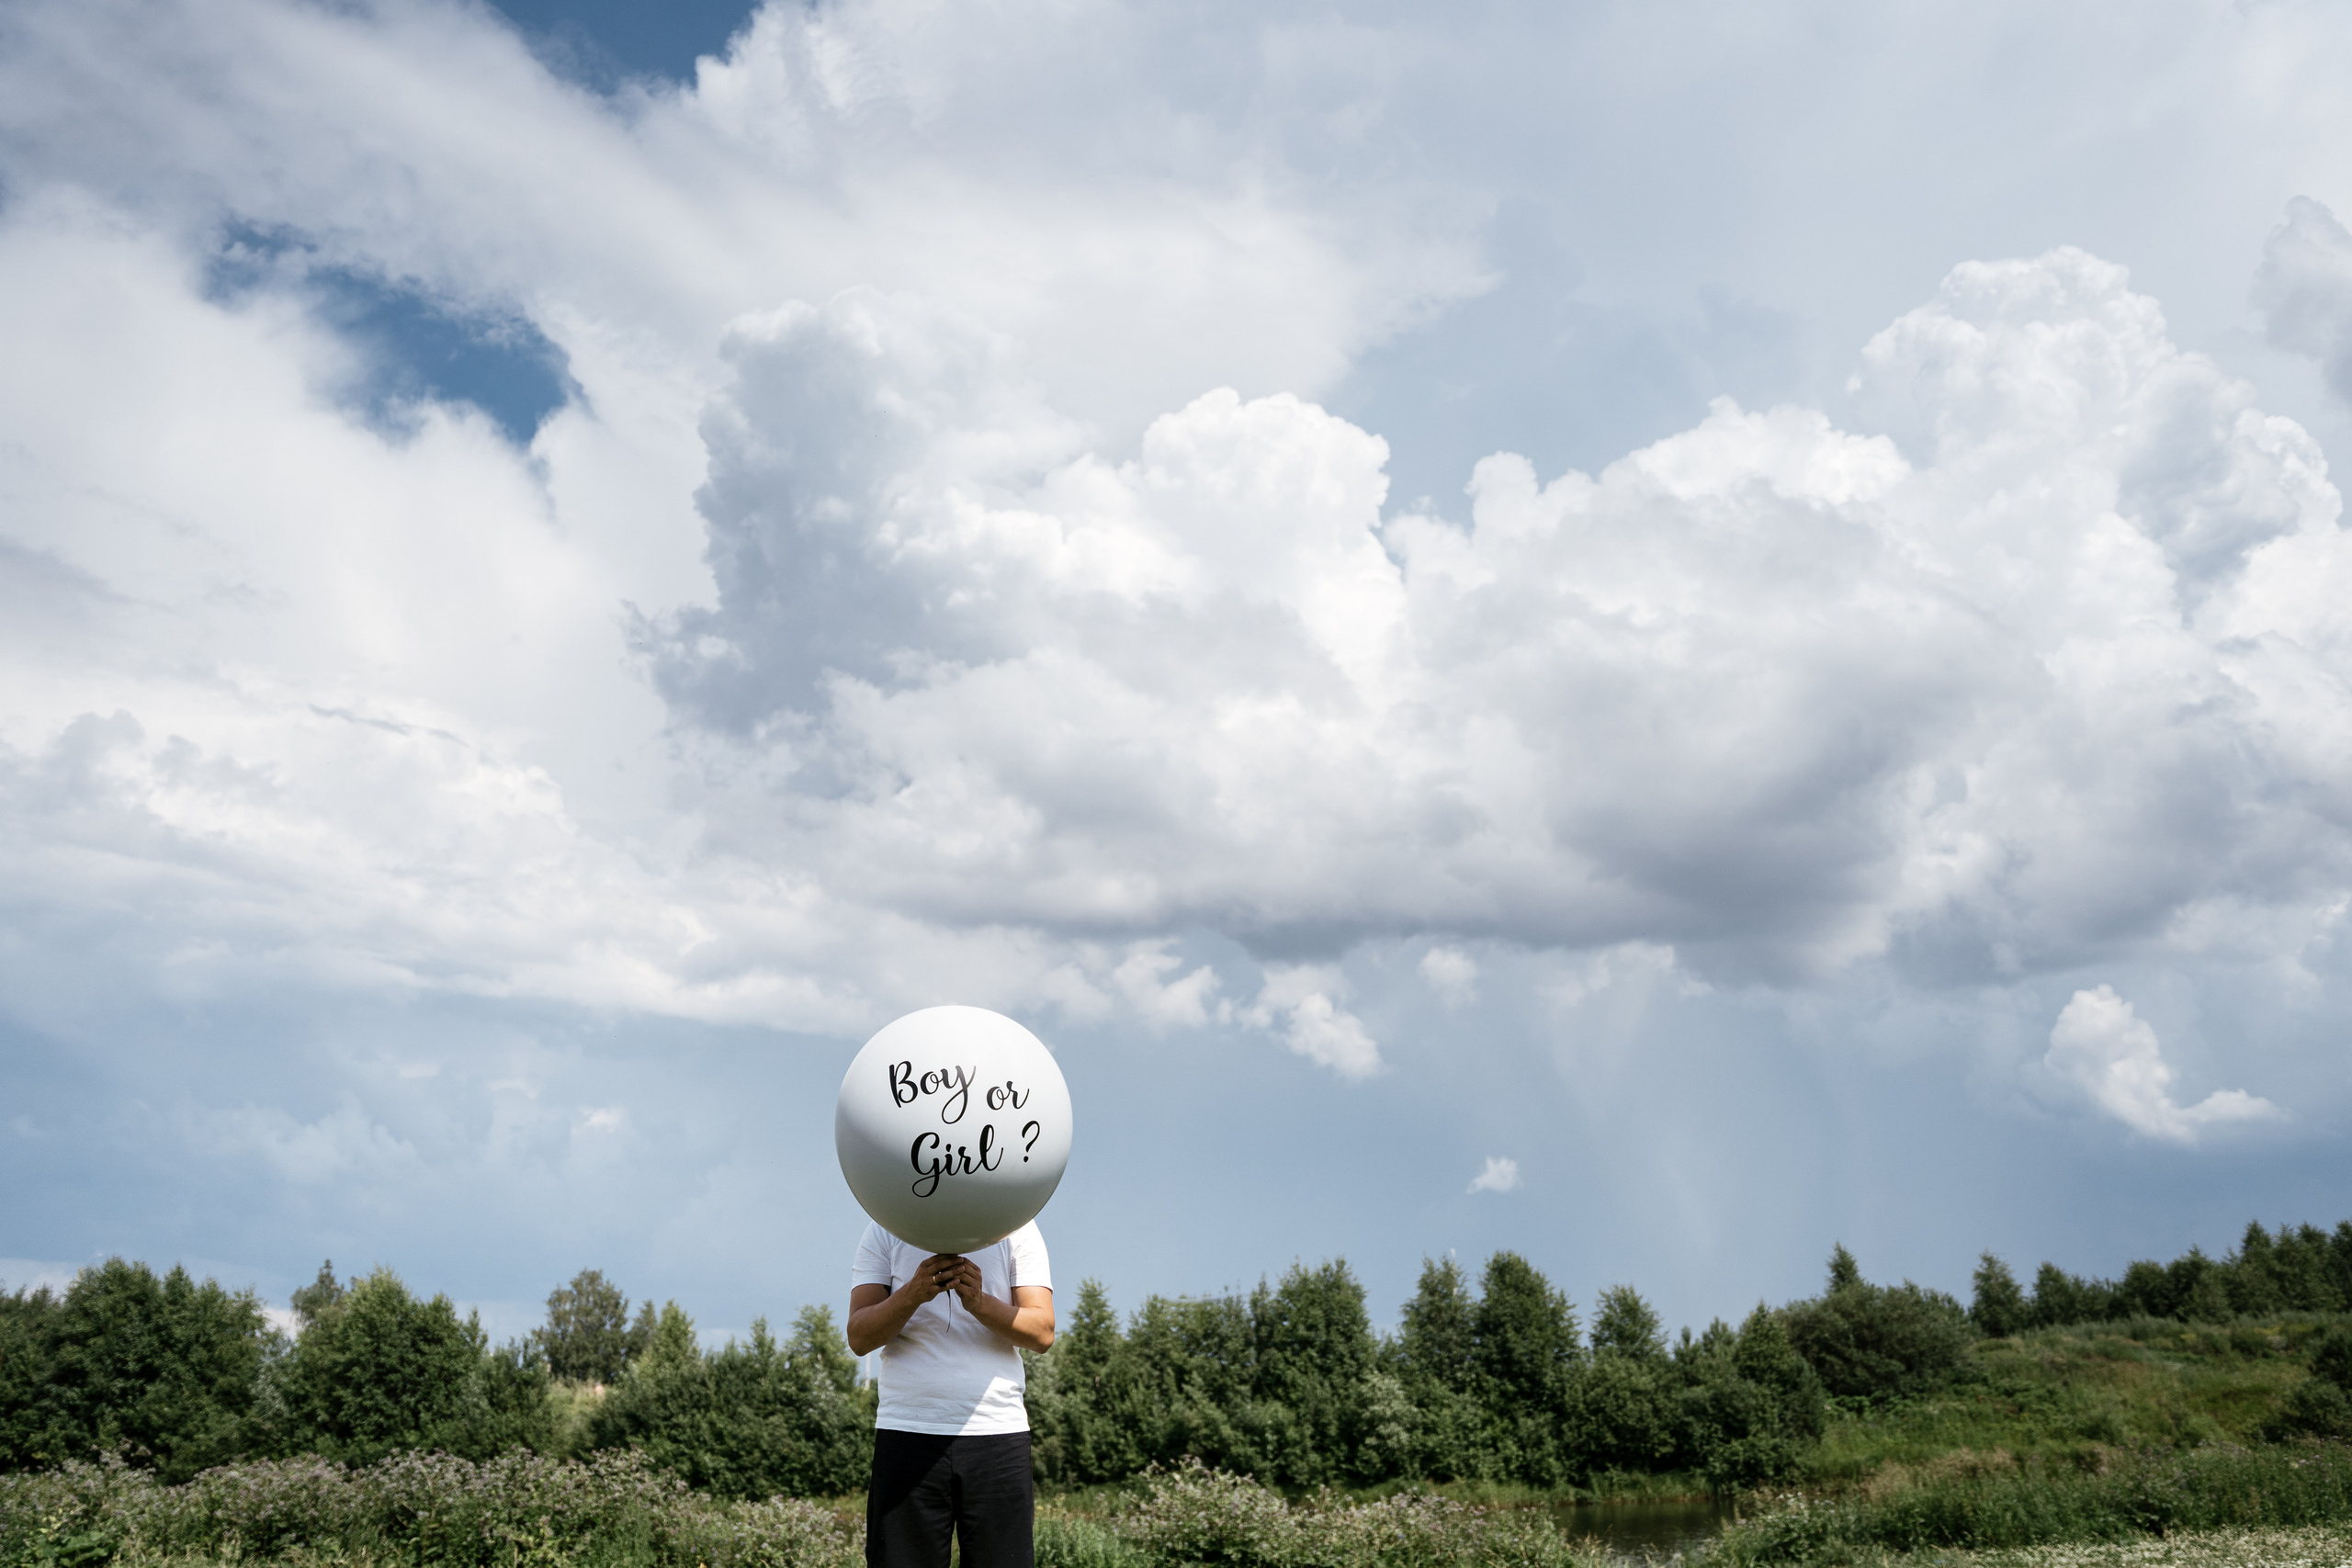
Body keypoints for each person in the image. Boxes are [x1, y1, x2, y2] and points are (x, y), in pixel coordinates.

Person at [848, 1221, 1054, 1568]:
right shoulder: (884, 1224)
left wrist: (979, 1301)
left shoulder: (1017, 1222)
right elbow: (859, 1337)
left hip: (998, 1433)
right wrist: (913, 1293)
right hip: (907, 1433)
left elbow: (1042, 1332)